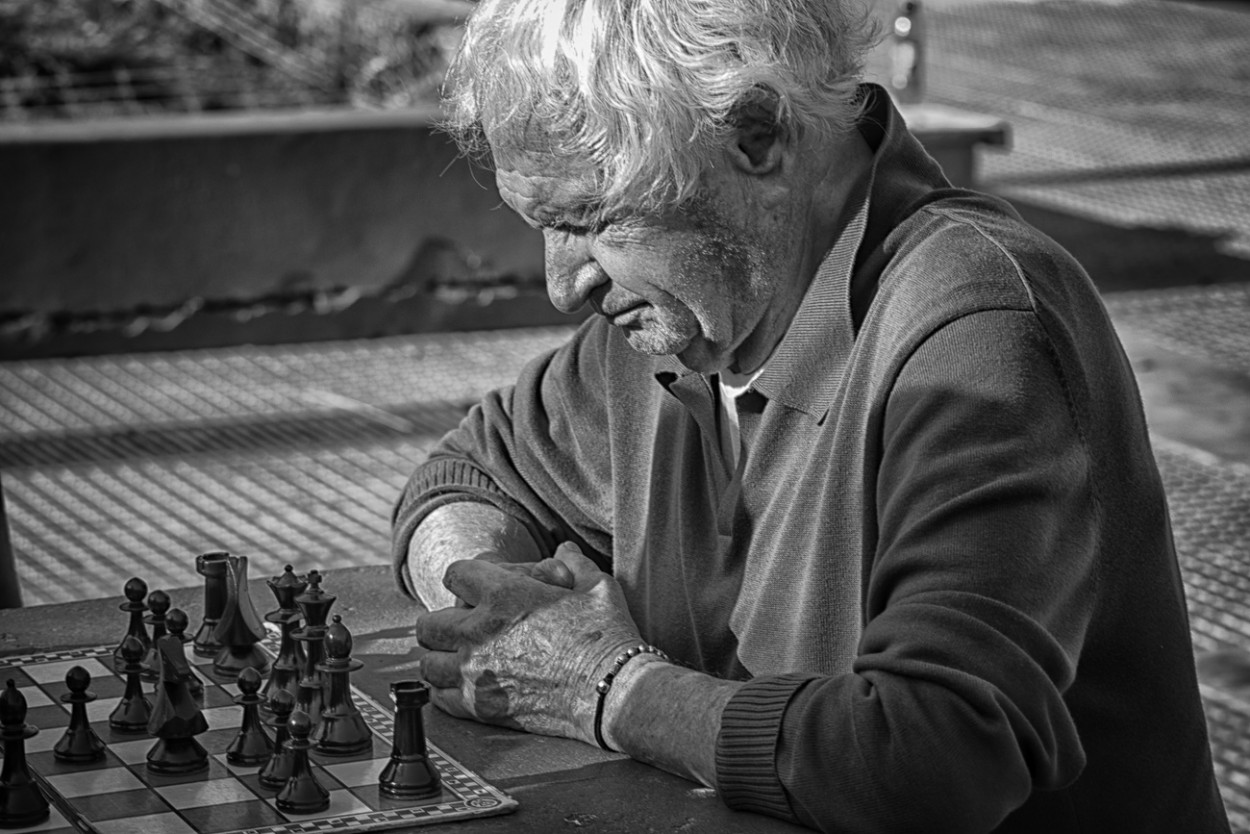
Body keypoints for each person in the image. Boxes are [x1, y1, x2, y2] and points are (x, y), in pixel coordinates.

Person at [390, 0, 1231, 829]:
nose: (564, 284)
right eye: (544, 225)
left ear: (757, 134)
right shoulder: (679, 309)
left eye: (594, 220)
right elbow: (471, 475)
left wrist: (605, 687)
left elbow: (932, 759)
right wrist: (497, 605)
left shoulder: (978, 333)